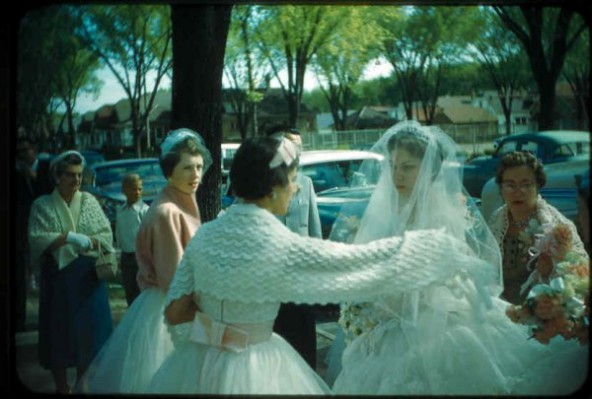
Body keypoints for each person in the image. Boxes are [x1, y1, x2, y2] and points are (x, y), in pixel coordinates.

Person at [147, 136, 498, 394]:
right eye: (294, 180)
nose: (296, 190)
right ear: (274, 185)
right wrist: (432, 248)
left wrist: (215, 319)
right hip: (258, 367)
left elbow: (175, 312)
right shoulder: (281, 244)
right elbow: (358, 265)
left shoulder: (205, 235)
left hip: (196, 363)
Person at [330, 121, 588, 395]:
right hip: (390, 319)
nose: (397, 175)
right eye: (393, 166)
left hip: (435, 317)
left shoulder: (441, 214)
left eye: (407, 167)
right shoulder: (388, 211)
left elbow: (442, 274)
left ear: (428, 169)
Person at [76, 128, 212, 393]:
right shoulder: (167, 212)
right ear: (169, 171)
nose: (195, 175)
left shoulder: (180, 201)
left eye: (198, 167)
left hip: (173, 301)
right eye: (187, 168)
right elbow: (173, 277)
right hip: (171, 307)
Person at [28, 150, 114, 394]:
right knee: (59, 335)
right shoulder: (42, 205)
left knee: (89, 336)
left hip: (88, 279)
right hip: (58, 280)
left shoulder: (89, 201)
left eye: (79, 175)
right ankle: (61, 386)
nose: (77, 180)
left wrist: (90, 241)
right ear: (57, 176)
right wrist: (67, 237)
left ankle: (82, 384)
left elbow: (105, 234)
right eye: (70, 175)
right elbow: (37, 238)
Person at [488, 151, 588, 305]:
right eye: (510, 185)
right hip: (496, 308)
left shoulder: (557, 225)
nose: (517, 192)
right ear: (501, 188)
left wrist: (550, 270)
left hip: (541, 312)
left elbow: (578, 277)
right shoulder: (496, 220)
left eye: (526, 184)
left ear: (538, 186)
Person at [267, 125, 321, 369]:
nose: (297, 151)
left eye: (300, 147)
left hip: (303, 274)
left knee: (305, 338)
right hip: (274, 274)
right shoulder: (265, 183)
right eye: (292, 146)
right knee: (280, 338)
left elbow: (314, 228)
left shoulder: (306, 183)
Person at [15, 136, 39, 331]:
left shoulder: (47, 168)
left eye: (26, 150)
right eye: (19, 152)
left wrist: (33, 177)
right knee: (21, 273)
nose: (23, 155)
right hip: (23, 231)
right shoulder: (16, 173)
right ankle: (19, 318)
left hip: (44, 228)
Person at [115, 173, 149, 306]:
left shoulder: (144, 211)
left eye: (140, 189)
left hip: (140, 257)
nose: (137, 192)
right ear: (124, 190)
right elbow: (119, 232)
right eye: (134, 189)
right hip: (126, 256)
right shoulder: (121, 211)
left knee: (141, 293)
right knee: (129, 292)